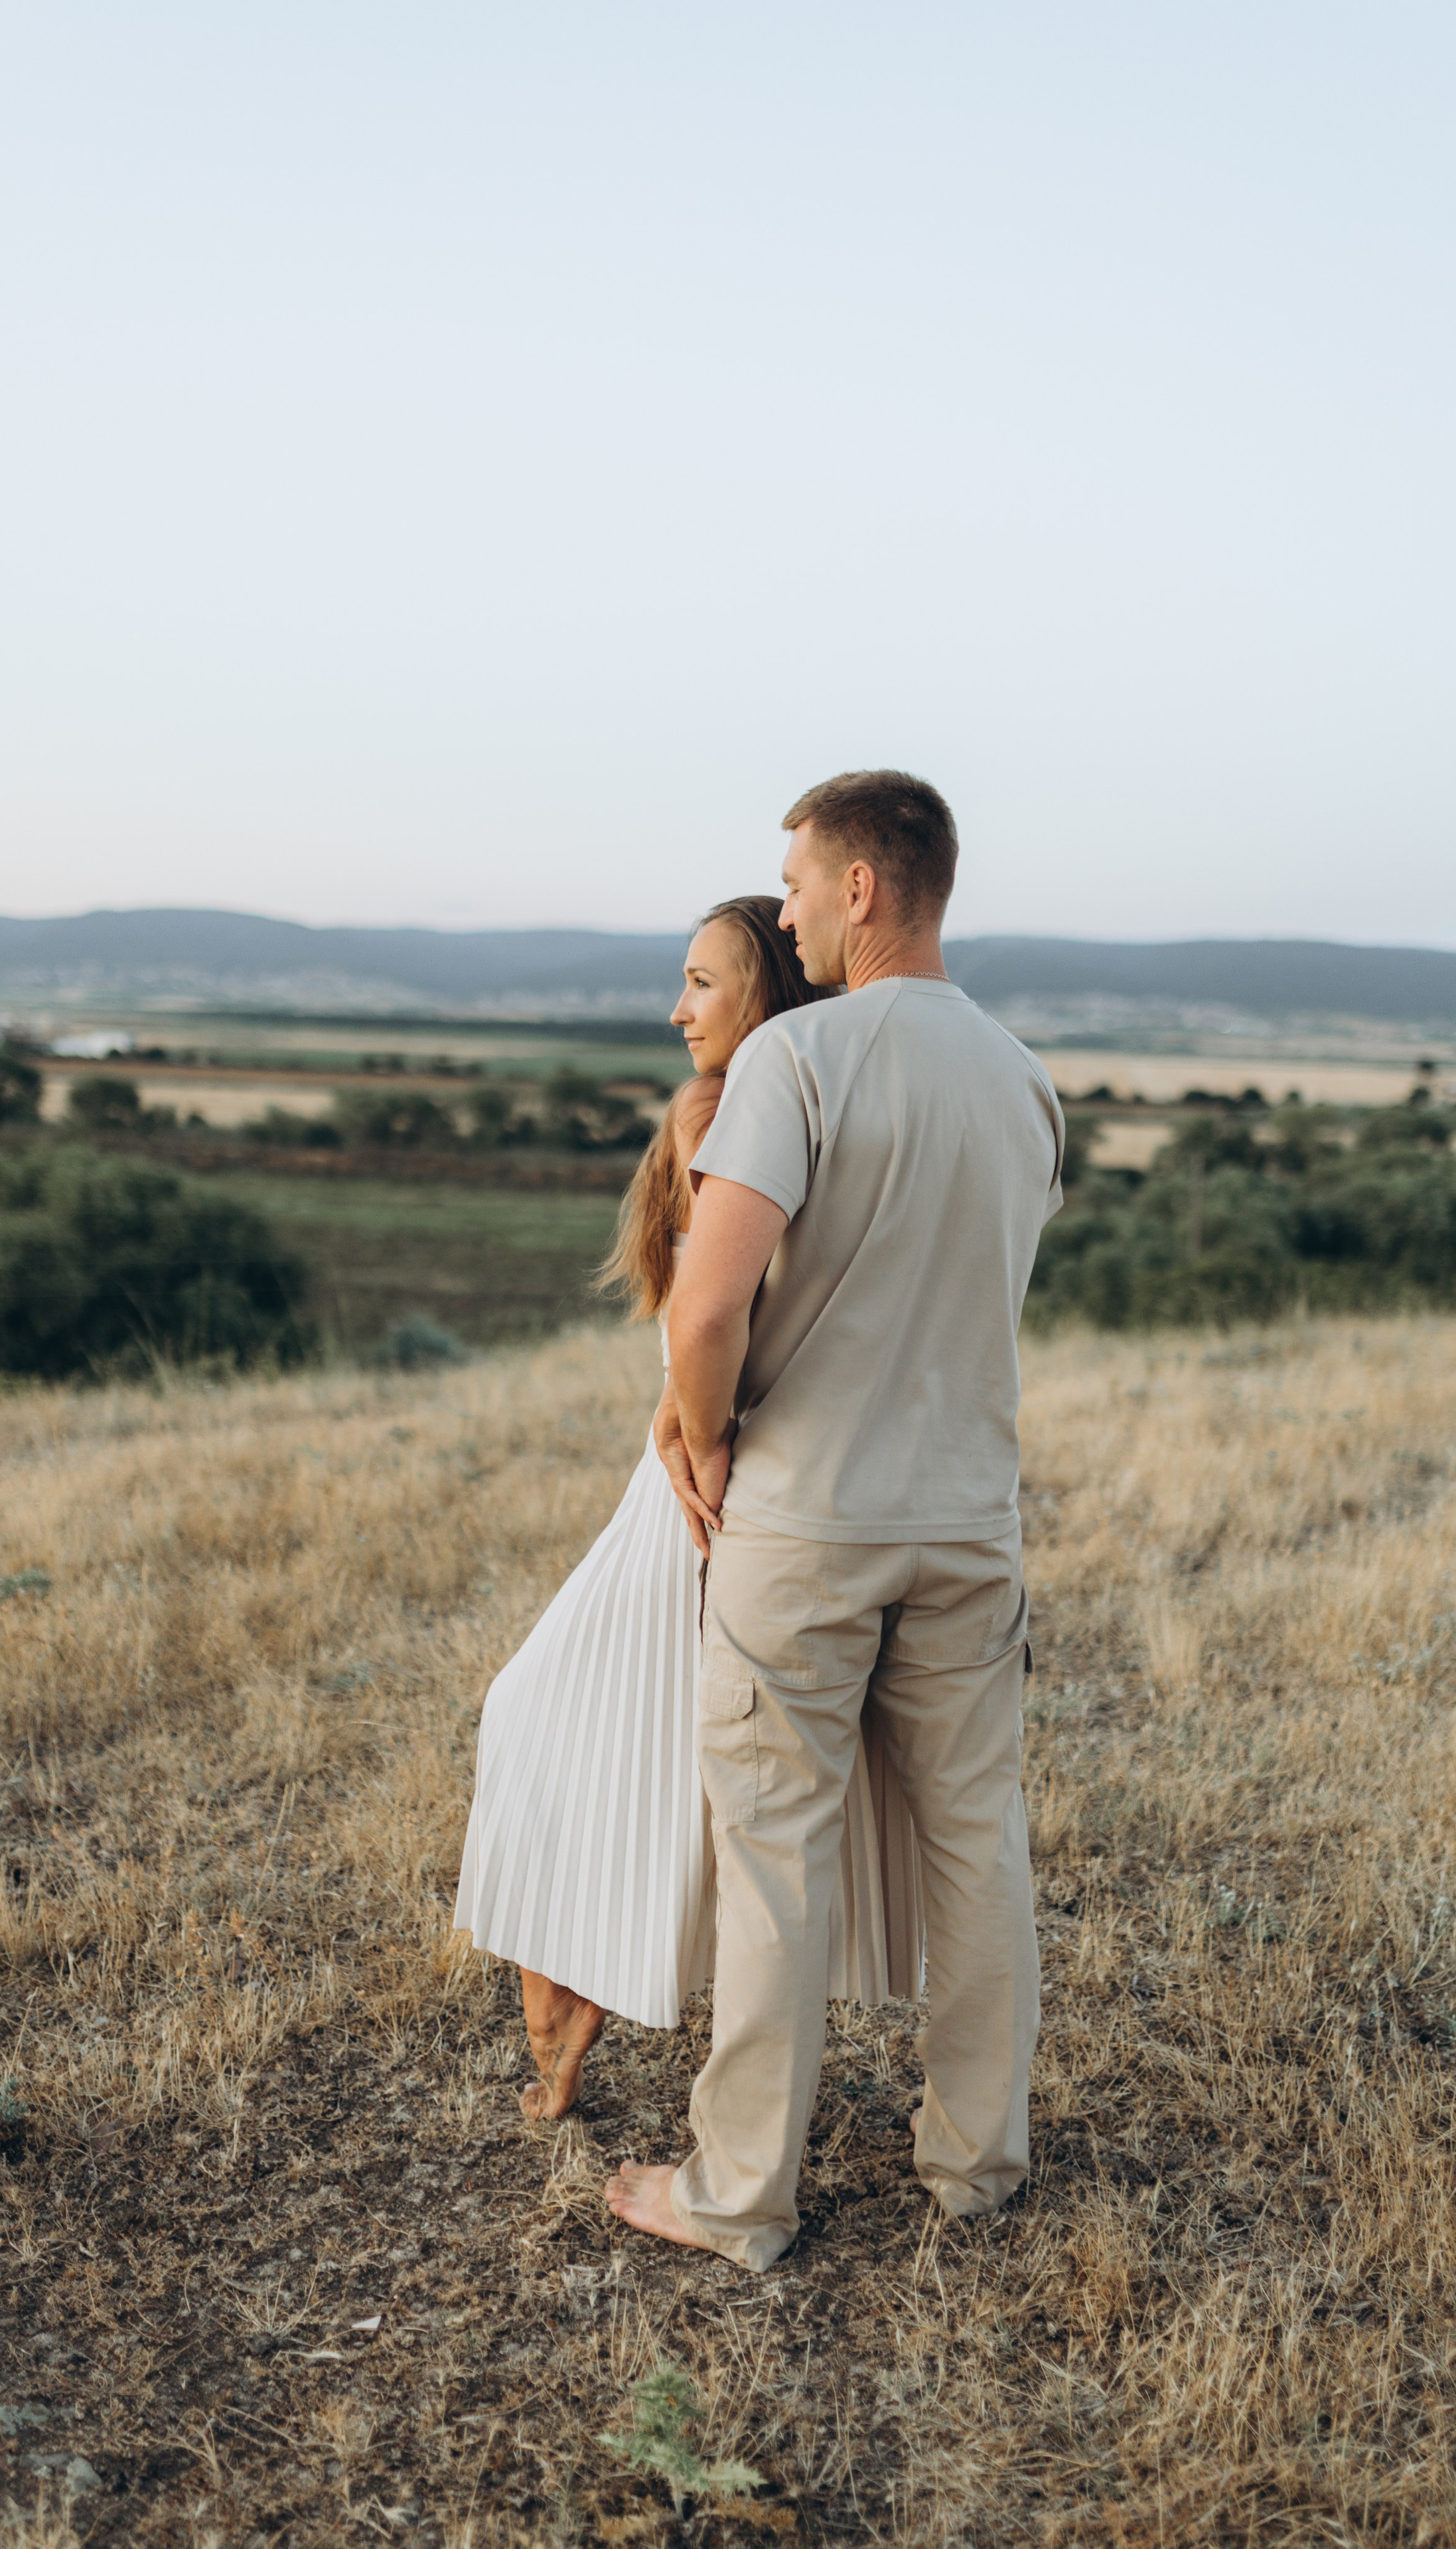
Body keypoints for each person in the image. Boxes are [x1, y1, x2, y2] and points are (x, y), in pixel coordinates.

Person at [605, 771, 1065, 2270]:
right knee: (976, 1840)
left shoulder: (795, 1062)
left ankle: (740, 2195)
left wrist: (704, 1434)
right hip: (967, 1525)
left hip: (805, 1524)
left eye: (795, 880)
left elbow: (709, 1302)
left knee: (777, 1853)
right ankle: (978, 2165)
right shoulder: (1022, 1083)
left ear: (862, 887)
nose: (784, 905)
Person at [453, 895, 924, 2121]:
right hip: (732, 1471)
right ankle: (581, 2003)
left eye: (703, 985)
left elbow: (717, 1319)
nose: (678, 1010)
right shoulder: (782, 1099)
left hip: (706, 1479)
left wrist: (693, 1426)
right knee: (649, 1748)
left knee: (562, 1720)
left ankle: (571, 2012)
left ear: (762, 994)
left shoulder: (730, 1108)